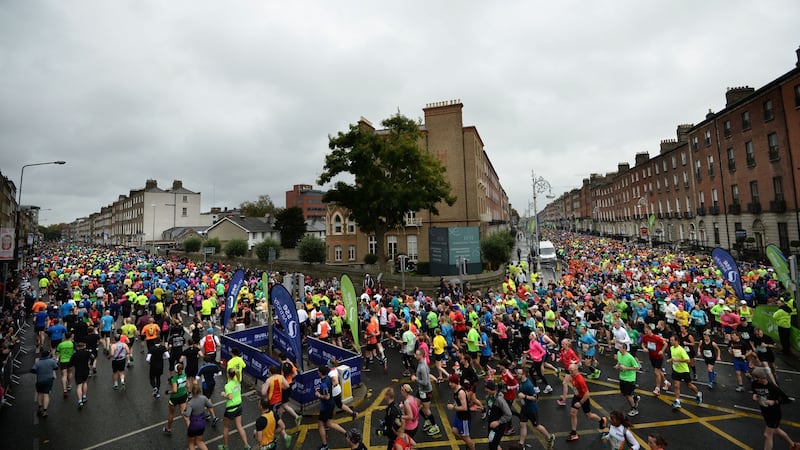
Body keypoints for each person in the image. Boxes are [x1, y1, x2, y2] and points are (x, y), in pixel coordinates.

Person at [750, 367, 799, 450]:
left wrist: (774, 401)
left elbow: (786, 400)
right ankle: (794, 445)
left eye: (756, 377)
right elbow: (754, 391)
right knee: (776, 430)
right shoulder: (755, 383)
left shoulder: (772, 388)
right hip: (765, 412)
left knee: (767, 434)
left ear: (762, 377)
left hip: (774, 413)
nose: (754, 379)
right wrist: (754, 395)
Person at [514, 368, 555, 450]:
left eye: (518, 373)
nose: (516, 375)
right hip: (524, 407)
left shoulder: (528, 385)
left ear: (523, 375)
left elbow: (535, 397)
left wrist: (524, 396)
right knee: (522, 424)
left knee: (536, 426)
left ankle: (549, 437)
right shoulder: (521, 382)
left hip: (531, 409)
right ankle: (521, 444)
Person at [565, 363, 608, 442]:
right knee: (573, 413)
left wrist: (580, 403)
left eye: (571, 371)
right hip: (577, 396)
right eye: (569, 371)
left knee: (589, 415)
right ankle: (574, 433)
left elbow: (587, 394)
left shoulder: (580, 379)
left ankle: (601, 420)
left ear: (576, 370)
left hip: (583, 398)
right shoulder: (572, 376)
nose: (570, 372)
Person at [316, 366, 347, 450]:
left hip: (326, 407)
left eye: (318, 371)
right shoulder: (329, 378)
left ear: (320, 373)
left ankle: (325, 445)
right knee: (329, 423)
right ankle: (346, 433)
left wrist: (319, 395)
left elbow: (327, 396)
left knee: (320, 425)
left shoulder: (323, 384)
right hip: (331, 404)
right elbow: (333, 384)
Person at [666, 334, 701, 409]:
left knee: (689, 385)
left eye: (672, 340)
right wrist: (671, 360)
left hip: (684, 371)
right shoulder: (671, 348)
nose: (670, 342)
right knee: (676, 385)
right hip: (676, 370)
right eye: (670, 340)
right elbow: (673, 358)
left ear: (677, 341)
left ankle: (698, 393)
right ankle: (677, 401)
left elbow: (688, 360)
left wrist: (677, 360)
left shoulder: (681, 350)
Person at [410, 349, 440, 435]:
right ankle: (427, 420)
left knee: (426, 410)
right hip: (421, 390)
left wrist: (416, 379)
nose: (415, 356)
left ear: (422, 356)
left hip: (426, 391)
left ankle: (435, 426)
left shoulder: (423, 367)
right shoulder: (421, 364)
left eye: (417, 354)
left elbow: (426, 382)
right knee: (415, 406)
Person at [220, 368, 249, 450]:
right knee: (239, 426)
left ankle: (225, 446)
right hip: (239, 406)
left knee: (226, 427)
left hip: (231, 409)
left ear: (228, 375)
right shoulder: (237, 382)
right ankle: (246, 445)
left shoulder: (228, 385)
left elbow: (230, 396)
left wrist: (223, 394)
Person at [446, 373, 475, 450]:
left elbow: (464, 408)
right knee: (454, 431)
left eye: (451, 382)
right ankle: (469, 442)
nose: (450, 384)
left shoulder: (460, 392)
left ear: (455, 382)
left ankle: (471, 445)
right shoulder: (456, 390)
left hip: (464, 418)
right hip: (459, 415)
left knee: (465, 436)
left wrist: (453, 407)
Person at [184, 383, 215, 450]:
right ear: (200, 391)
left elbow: (187, 414)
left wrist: (183, 412)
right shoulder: (203, 398)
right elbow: (210, 405)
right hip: (202, 423)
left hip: (193, 425)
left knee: (191, 443)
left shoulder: (190, 402)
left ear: (192, 392)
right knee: (199, 441)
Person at [484, 380, 513, 450]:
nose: (485, 390)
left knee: (493, 445)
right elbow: (489, 407)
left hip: (498, 427)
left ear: (491, 389)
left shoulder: (500, 400)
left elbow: (508, 414)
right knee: (492, 443)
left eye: (486, 388)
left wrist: (498, 422)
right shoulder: (489, 397)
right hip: (491, 424)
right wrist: (483, 409)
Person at [615, 341, 641, 417]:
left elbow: (637, 367)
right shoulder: (619, 354)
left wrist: (626, 368)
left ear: (624, 349)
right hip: (622, 377)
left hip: (630, 379)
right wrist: (617, 365)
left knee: (628, 395)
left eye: (620, 347)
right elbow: (619, 362)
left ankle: (634, 409)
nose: (618, 348)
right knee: (625, 394)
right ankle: (635, 398)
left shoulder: (630, 357)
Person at [31, 350, 59, 417]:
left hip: (39, 380)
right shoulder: (51, 361)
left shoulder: (38, 363)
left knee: (39, 393)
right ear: (48, 355)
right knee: (46, 395)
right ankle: (45, 411)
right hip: (48, 380)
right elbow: (56, 368)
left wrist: (39, 372)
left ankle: (40, 407)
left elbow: (32, 370)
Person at [164, 363, 189, 434]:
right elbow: (187, 385)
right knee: (184, 414)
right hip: (183, 396)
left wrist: (168, 392)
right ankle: (190, 430)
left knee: (171, 414)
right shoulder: (185, 375)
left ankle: (168, 428)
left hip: (174, 398)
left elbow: (174, 390)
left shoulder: (174, 379)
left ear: (175, 371)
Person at [70, 341, 94, 408]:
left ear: (77, 347)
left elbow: (70, 364)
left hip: (78, 371)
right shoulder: (87, 353)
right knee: (85, 382)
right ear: (84, 346)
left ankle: (80, 401)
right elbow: (93, 357)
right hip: (86, 370)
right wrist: (89, 363)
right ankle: (84, 396)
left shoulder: (75, 355)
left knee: (79, 385)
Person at [55, 332, 76, 398]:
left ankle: (64, 389)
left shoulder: (60, 344)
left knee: (64, 375)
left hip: (63, 361)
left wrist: (57, 360)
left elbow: (57, 354)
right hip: (70, 360)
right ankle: (69, 385)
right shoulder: (72, 343)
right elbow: (75, 352)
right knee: (70, 372)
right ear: (70, 337)